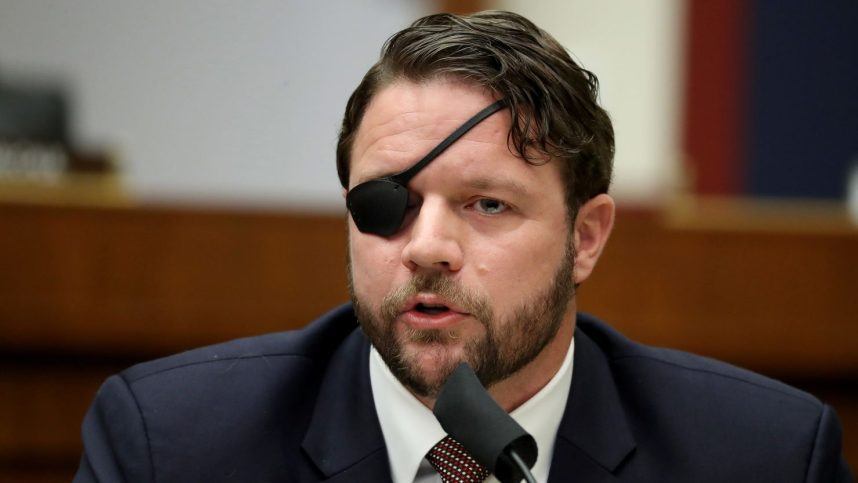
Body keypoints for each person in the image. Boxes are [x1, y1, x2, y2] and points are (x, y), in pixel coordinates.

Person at [74, 11, 852, 483]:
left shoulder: (763, 456)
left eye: (486, 203)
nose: (428, 247)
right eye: (390, 203)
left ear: (586, 237)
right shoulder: (171, 446)